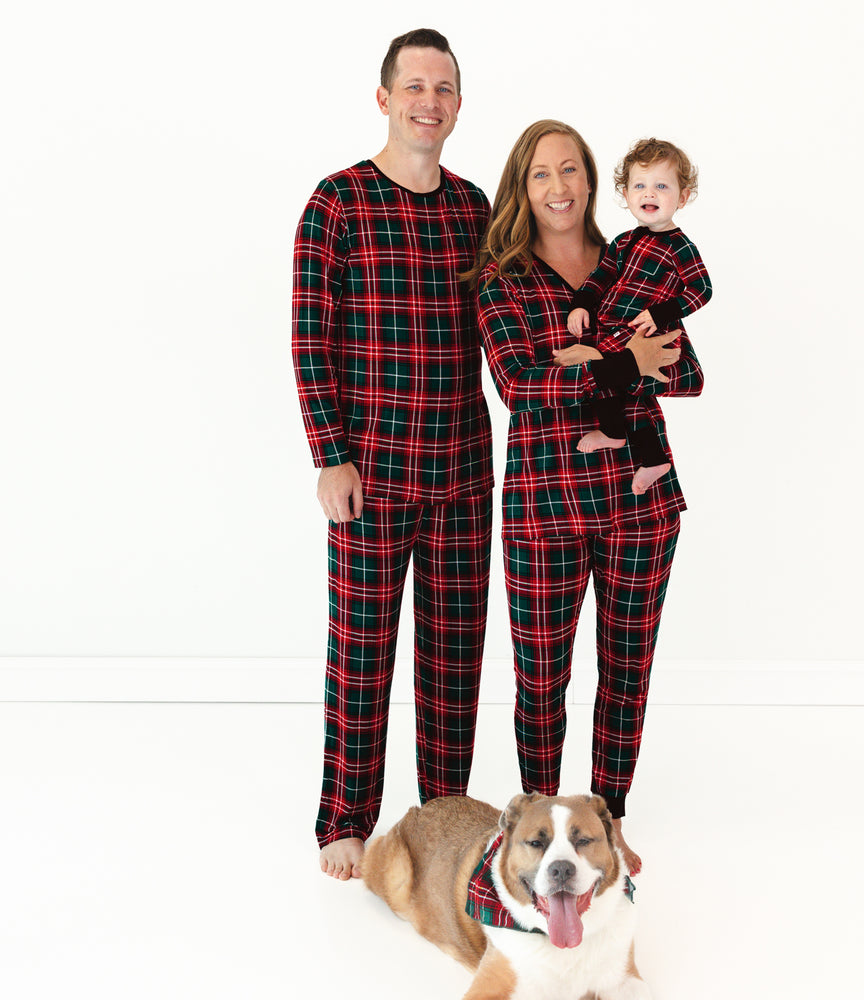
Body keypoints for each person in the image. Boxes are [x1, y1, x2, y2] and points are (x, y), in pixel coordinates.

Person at [470, 120, 704, 875]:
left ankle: (609, 819)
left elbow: (687, 371)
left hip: (642, 502)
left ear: (592, 181)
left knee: (626, 669)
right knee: (542, 678)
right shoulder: (502, 278)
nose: (559, 187)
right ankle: (540, 823)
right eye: (541, 174)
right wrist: (624, 361)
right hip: (544, 510)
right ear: (522, 187)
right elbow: (520, 388)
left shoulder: (636, 257)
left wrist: (596, 357)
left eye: (571, 170)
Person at [291, 28, 492, 882]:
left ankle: (444, 820)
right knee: (362, 648)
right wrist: (329, 455)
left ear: (457, 104)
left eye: (443, 89)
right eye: (414, 87)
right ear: (384, 98)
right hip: (368, 474)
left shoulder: (477, 208)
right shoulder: (336, 202)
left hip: (464, 472)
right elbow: (309, 339)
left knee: (454, 655)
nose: (428, 102)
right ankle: (346, 818)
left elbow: (512, 328)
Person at [567, 137, 712, 496]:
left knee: (609, 372)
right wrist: (582, 302)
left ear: (683, 196)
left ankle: (619, 436)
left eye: (662, 186)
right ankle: (648, 455)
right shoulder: (624, 242)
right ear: (627, 193)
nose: (650, 194)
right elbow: (601, 277)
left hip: (644, 330)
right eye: (640, 186)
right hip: (612, 325)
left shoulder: (681, 247)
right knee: (619, 386)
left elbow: (701, 289)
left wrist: (660, 312)